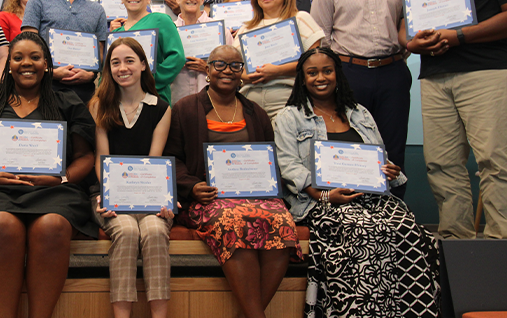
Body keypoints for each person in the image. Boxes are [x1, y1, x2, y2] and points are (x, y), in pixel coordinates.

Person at [274, 47, 440, 317]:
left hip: (373, 197)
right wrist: (324, 196)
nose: (321, 77)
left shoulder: (359, 112)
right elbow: (289, 166)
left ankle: (409, 311)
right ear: (302, 78)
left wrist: (390, 170)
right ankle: (363, 309)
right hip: (323, 202)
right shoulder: (289, 117)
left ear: (337, 74)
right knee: (362, 229)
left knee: (409, 229)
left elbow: (379, 155)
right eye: (312, 72)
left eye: (327, 71)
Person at [0, 32, 97, 318]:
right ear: (9, 63)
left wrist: (62, 178)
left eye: (35, 57)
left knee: (52, 226)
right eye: (18, 58)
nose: (26, 64)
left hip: (54, 190)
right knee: (0, 224)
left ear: (47, 64)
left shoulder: (66, 101)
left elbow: (84, 156)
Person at [164, 45, 300, 318]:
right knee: (234, 220)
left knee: (283, 223)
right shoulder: (185, 109)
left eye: (235, 66)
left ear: (242, 73)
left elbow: (269, 161)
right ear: (208, 70)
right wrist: (192, 186)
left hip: (255, 197)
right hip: (208, 198)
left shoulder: (256, 113)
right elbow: (171, 159)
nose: (227, 71)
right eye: (219, 65)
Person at [398, 0, 507, 239]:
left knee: (494, 160)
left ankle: (499, 240)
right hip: (434, 78)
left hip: (485, 74)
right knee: (442, 164)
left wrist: (456, 36)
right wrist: (412, 44)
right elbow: (406, 27)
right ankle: (456, 242)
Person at [310, 0, 410, 199]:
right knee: (351, 143)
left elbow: (408, 32)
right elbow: (321, 38)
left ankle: (393, 210)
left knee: (393, 145)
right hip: (350, 74)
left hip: (392, 72)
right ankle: (354, 210)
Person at [89, 38, 174, 318]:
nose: (122, 68)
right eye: (115, 62)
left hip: (148, 196)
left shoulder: (161, 108)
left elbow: (155, 161)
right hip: (108, 194)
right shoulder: (100, 105)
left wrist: (162, 201)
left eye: (129, 61)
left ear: (143, 65)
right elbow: (102, 159)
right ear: (108, 68)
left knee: (155, 230)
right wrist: (107, 195)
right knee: (126, 231)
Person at [22, 0, 109, 105]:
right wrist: (50, 72)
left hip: (85, 95)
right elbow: (27, 46)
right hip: (44, 91)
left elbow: (101, 53)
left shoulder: (97, 10)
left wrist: (90, 75)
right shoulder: (37, 1)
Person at [235, 0, 324, 121]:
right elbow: (235, 68)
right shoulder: (246, 28)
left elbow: (316, 63)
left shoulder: (300, 18)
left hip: (286, 97)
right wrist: (248, 76)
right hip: (250, 99)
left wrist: (277, 71)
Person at [111, 0, 186, 105]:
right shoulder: (116, 34)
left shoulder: (161, 20)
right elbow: (108, 70)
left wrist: (149, 82)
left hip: (154, 97)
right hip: (121, 101)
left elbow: (177, 57)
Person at [171, 0, 231, 105]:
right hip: (177, 102)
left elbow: (232, 70)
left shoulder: (220, 31)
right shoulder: (169, 31)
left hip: (213, 103)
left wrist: (207, 68)